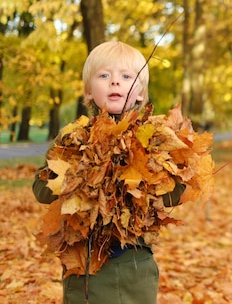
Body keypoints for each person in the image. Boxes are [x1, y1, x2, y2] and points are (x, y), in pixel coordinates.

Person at [32, 41, 185, 304]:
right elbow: (41, 188)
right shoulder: (73, 138)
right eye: (104, 75)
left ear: (140, 93)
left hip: (135, 263)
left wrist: (144, 181)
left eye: (126, 76)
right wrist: (78, 177)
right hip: (86, 266)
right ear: (89, 92)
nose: (115, 82)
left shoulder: (153, 140)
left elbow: (176, 192)